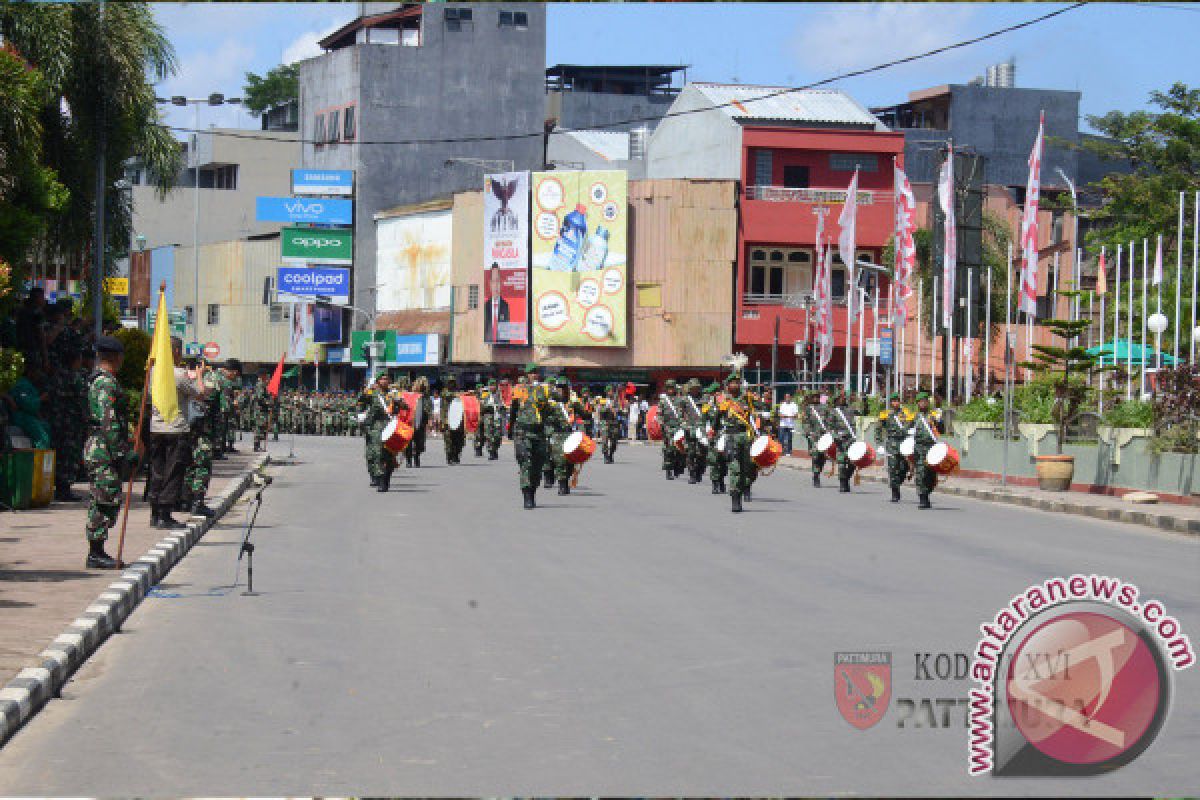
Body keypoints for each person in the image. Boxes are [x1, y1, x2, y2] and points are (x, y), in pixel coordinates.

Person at [83, 336, 137, 569]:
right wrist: (123, 451)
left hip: (103, 447)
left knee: (106, 496)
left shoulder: (102, 380)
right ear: (116, 357)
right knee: (105, 497)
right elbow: (108, 420)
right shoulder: (105, 383)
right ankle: (95, 553)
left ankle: (97, 550)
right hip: (102, 449)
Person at [146, 337, 206, 530]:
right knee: (173, 471)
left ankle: (155, 514)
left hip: (156, 428)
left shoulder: (153, 372)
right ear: (177, 352)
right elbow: (200, 393)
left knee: (156, 471)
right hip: (175, 428)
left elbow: (147, 397)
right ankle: (165, 514)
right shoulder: (179, 375)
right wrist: (199, 375)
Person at [714, 370, 757, 512]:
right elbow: (716, 419)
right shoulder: (723, 400)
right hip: (731, 437)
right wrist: (714, 432)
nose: (735, 385)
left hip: (746, 436)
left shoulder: (747, 398)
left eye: (737, 382)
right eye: (732, 383)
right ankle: (735, 499)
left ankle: (746, 487)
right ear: (727, 385)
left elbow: (757, 414)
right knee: (735, 468)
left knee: (749, 467)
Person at [514, 382, 551, 509]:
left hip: (539, 434)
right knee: (525, 463)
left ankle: (532, 492)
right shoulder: (520, 390)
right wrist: (511, 430)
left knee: (537, 466)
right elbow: (514, 409)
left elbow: (551, 410)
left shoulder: (545, 392)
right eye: (531, 373)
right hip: (523, 432)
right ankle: (527, 496)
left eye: (536, 373)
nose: (534, 376)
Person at [877, 392, 914, 503]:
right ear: (891, 402)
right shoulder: (885, 414)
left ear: (900, 401)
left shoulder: (906, 413)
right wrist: (879, 442)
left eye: (897, 400)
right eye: (893, 401)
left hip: (904, 443)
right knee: (893, 469)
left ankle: (898, 483)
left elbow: (912, 425)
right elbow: (878, 428)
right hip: (892, 444)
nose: (895, 403)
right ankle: (895, 492)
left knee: (904, 467)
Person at [543, 377, 574, 494]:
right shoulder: (551, 402)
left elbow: (583, 414)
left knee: (569, 461)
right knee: (556, 458)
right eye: (560, 388)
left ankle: (564, 479)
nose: (562, 391)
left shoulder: (572, 401)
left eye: (564, 388)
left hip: (569, 433)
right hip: (554, 432)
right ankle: (560, 483)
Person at [912, 392, 943, 510]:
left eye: (925, 401)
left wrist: (939, 422)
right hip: (919, 448)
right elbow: (906, 430)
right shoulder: (914, 417)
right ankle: (922, 498)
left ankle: (927, 493)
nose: (923, 403)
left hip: (932, 448)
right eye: (920, 401)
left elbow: (942, 430)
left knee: (931, 475)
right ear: (917, 404)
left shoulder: (933, 415)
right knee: (921, 473)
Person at [829, 390, 858, 493]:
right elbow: (830, 428)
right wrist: (835, 437)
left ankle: (846, 479)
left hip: (850, 439)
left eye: (844, 398)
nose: (843, 399)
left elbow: (855, 421)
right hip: (840, 440)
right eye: (841, 398)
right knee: (841, 463)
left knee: (853, 462)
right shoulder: (833, 412)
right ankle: (842, 483)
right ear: (836, 400)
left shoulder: (850, 410)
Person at [802, 392, 832, 487]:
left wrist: (830, 431)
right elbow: (805, 422)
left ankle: (818, 472)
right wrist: (809, 432)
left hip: (824, 437)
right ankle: (816, 476)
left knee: (823, 457)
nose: (815, 398)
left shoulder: (825, 408)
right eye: (814, 397)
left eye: (817, 397)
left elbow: (829, 420)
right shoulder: (808, 409)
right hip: (814, 436)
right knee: (816, 456)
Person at [681, 378, 708, 484]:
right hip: (690, 429)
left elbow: (710, 412)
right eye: (693, 388)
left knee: (702, 453)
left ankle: (699, 471)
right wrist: (683, 424)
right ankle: (692, 473)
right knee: (691, 452)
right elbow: (680, 414)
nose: (695, 390)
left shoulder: (705, 398)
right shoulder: (685, 400)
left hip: (702, 429)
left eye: (697, 388)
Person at [658, 379, 685, 480]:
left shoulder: (680, 400)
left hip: (678, 427)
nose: (670, 390)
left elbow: (684, 413)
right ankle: (669, 470)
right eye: (668, 388)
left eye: (672, 388)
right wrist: (662, 425)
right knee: (669, 450)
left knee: (679, 449)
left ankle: (677, 467)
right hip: (668, 427)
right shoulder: (663, 401)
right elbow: (659, 415)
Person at [440, 375, 465, 464]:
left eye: (452, 382)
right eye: (450, 382)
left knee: (459, 440)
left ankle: (456, 455)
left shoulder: (458, 393)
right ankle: (449, 457)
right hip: (447, 419)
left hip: (458, 419)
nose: (451, 384)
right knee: (448, 440)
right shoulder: (444, 392)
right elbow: (449, 395)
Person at [483, 264, 511, 343]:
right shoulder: (485, 306)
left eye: (498, 281)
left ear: (501, 283)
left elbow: (507, 333)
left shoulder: (505, 306)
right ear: (490, 284)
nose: (495, 285)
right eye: (493, 281)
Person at [595, 386, 620, 464]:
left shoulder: (615, 401)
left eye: (612, 391)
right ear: (607, 392)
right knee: (605, 440)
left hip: (613, 423)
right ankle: (606, 456)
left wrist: (615, 409)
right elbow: (600, 411)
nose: (611, 392)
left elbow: (618, 411)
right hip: (604, 423)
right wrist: (608, 408)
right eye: (610, 391)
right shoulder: (603, 401)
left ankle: (611, 454)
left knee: (614, 441)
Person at [479, 378, 503, 460]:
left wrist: (499, 406)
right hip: (488, 416)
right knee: (488, 435)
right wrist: (485, 407)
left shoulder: (500, 394)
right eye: (491, 385)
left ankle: (495, 449)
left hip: (497, 416)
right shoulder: (485, 395)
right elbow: (481, 405)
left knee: (497, 435)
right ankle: (491, 451)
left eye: (494, 385)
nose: (492, 387)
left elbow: (503, 404)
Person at [251, 366, 273, 452]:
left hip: (262, 409)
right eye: (267, 375)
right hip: (259, 409)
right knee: (259, 427)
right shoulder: (260, 384)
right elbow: (260, 397)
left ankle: (258, 445)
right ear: (262, 376)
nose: (268, 377)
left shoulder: (264, 384)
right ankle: (256, 446)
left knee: (262, 427)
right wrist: (268, 402)